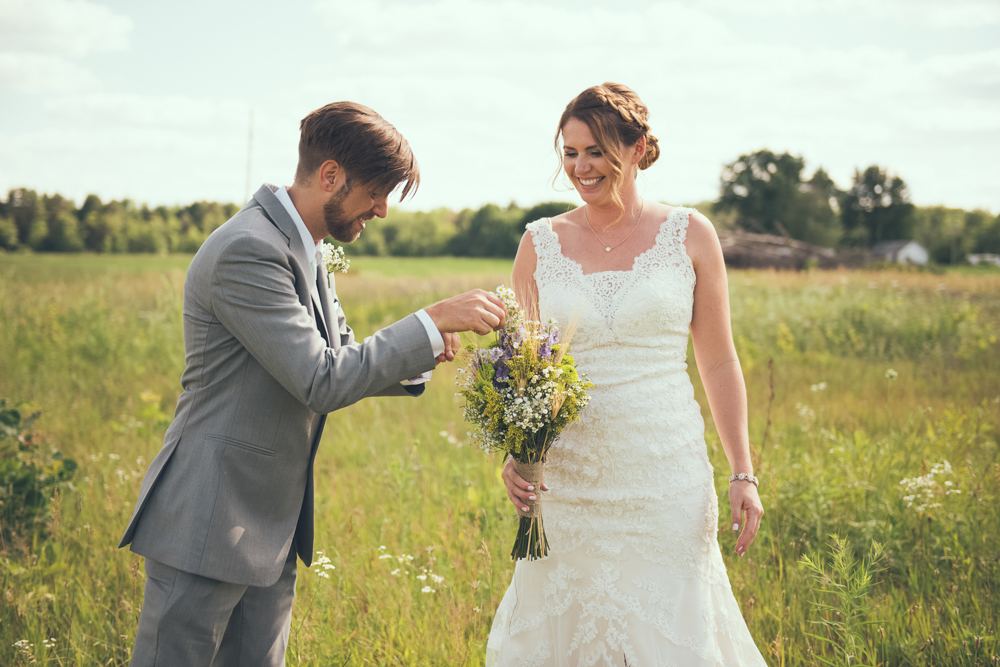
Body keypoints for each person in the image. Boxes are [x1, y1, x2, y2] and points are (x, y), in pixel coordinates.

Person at [119, 101, 506, 666]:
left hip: (269, 525)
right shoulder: (249, 249)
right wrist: (429, 319)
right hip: (208, 518)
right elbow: (320, 379)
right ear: (330, 175)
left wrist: (421, 353)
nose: (383, 209)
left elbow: (338, 356)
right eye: (376, 191)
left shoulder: (307, 246)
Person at [486, 83, 768, 666]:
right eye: (570, 153)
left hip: (665, 475)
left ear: (637, 147)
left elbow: (718, 360)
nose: (581, 167)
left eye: (596, 151)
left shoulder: (691, 235)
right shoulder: (540, 242)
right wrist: (517, 453)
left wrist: (743, 472)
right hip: (566, 482)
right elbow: (522, 368)